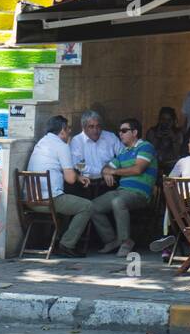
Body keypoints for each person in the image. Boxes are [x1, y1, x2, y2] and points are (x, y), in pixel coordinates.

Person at [26, 115, 117, 258]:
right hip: (50, 200)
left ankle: (59, 240)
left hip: (31, 200)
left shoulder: (42, 142)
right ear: (62, 130)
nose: (70, 131)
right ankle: (66, 244)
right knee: (87, 206)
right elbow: (69, 179)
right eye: (68, 128)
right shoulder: (61, 146)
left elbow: (61, 170)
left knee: (72, 202)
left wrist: (78, 176)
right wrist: (76, 176)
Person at [91, 117, 158, 255]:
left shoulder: (145, 147)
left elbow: (137, 169)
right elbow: (107, 166)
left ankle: (126, 241)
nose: (120, 134)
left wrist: (113, 171)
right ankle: (111, 240)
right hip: (122, 191)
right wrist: (106, 172)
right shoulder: (123, 152)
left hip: (140, 194)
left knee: (118, 202)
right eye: (119, 131)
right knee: (92, 206)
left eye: (124, 130)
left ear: (135, 132)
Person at [151, 129, 190, 260]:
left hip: (182, 209)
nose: (187, 145)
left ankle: (167, 243)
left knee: (170, 205)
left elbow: (168, 182)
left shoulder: (184, 161)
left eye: (189, 142)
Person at [70, 109, 123, 194]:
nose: (96, 130)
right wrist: (103, 170)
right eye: (91, 127)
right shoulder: (77, 141)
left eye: (98, 126)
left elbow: (123, 155)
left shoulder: (110, 137)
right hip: (87, 185)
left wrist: (110, 168)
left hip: (111, 181)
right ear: (83, 128)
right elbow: (79, 165)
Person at [145, 106, 183, 177]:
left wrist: (173, 138)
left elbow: (178, 153)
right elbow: (149, 151)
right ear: (159, 120)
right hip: (154, 165)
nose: (165, 123)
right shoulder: (152, 131)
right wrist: (157, 137)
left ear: (173, 120)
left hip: (172, 166)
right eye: (163, 119)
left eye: (169, 120)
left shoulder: (178, 133)